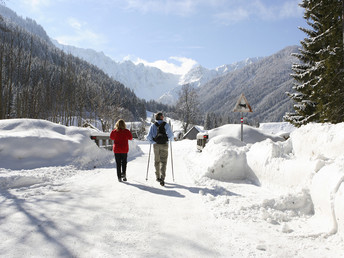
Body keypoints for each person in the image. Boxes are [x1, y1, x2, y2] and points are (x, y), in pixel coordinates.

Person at [147, 112, 174, 186]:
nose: (163, 117)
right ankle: (162, 178)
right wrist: (169, 140)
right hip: (164, 145)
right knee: (163, 162)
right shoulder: (166, 125)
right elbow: (171, 136)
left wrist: (153, 142)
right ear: (161, 117)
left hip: (156, 145)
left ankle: (157, 177)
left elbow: (148, 137)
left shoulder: (153, 126)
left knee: (157, 161)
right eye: (163, 116)